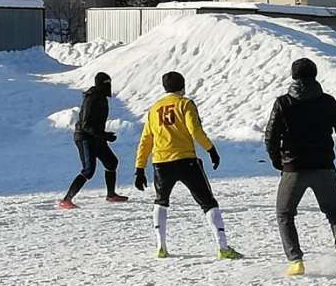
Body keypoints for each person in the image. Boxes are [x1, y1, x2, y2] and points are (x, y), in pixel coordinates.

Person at [134, 71, 243, 260]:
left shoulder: (154, 108)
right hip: (186, 160)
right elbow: (195, 130)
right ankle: (222, 247)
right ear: (183, 86)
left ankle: (161, 246)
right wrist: (210, 149)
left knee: (161, 201)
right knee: (208, 202)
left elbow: (146, 139)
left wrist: (140, 167)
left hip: (161, 162)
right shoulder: (185, 104)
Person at [264, 58, 336, 277]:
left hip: (293, 167)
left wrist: (277, 159)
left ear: (294, 76)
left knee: (285, 214)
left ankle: (296, 260)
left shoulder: (283, 103)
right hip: (323, 165)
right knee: (334, 211)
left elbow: (271, 135)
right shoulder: (326, 101)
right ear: (315, 75)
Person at [58, 72, 128, 209]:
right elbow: (85, 125)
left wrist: (103, 135)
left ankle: (111, 194)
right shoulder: (92, 99)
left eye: (109, 83)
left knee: (111, 162)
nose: (108, 86)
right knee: (88, 170)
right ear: (100, 84)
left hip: (95, 136)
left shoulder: (101, 97)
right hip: (84, 137)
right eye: (106, 83)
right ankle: (66, 200)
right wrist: (104, 136)